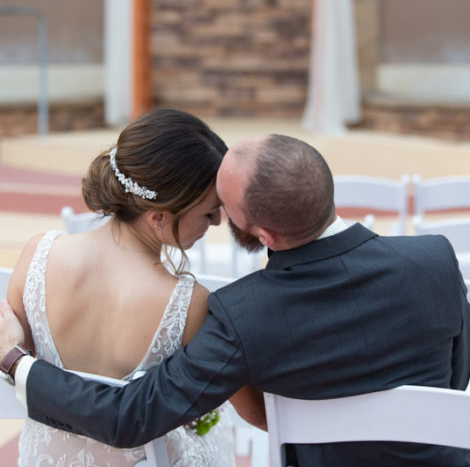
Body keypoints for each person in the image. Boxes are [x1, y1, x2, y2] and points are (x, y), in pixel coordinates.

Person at [1, 133, 470, 466]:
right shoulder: (435, 260)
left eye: (223, 207)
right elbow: (456, 375)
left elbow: (130, 416)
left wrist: (14, 362)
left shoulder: (244, 313)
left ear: (262, 234)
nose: (218, 214)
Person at [0, 108, 266, 467]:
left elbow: (21, 374)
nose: (219, 220)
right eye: (208, 212)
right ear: (158, 216)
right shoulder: (190, 303)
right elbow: (256, 412)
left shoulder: (37, 255)